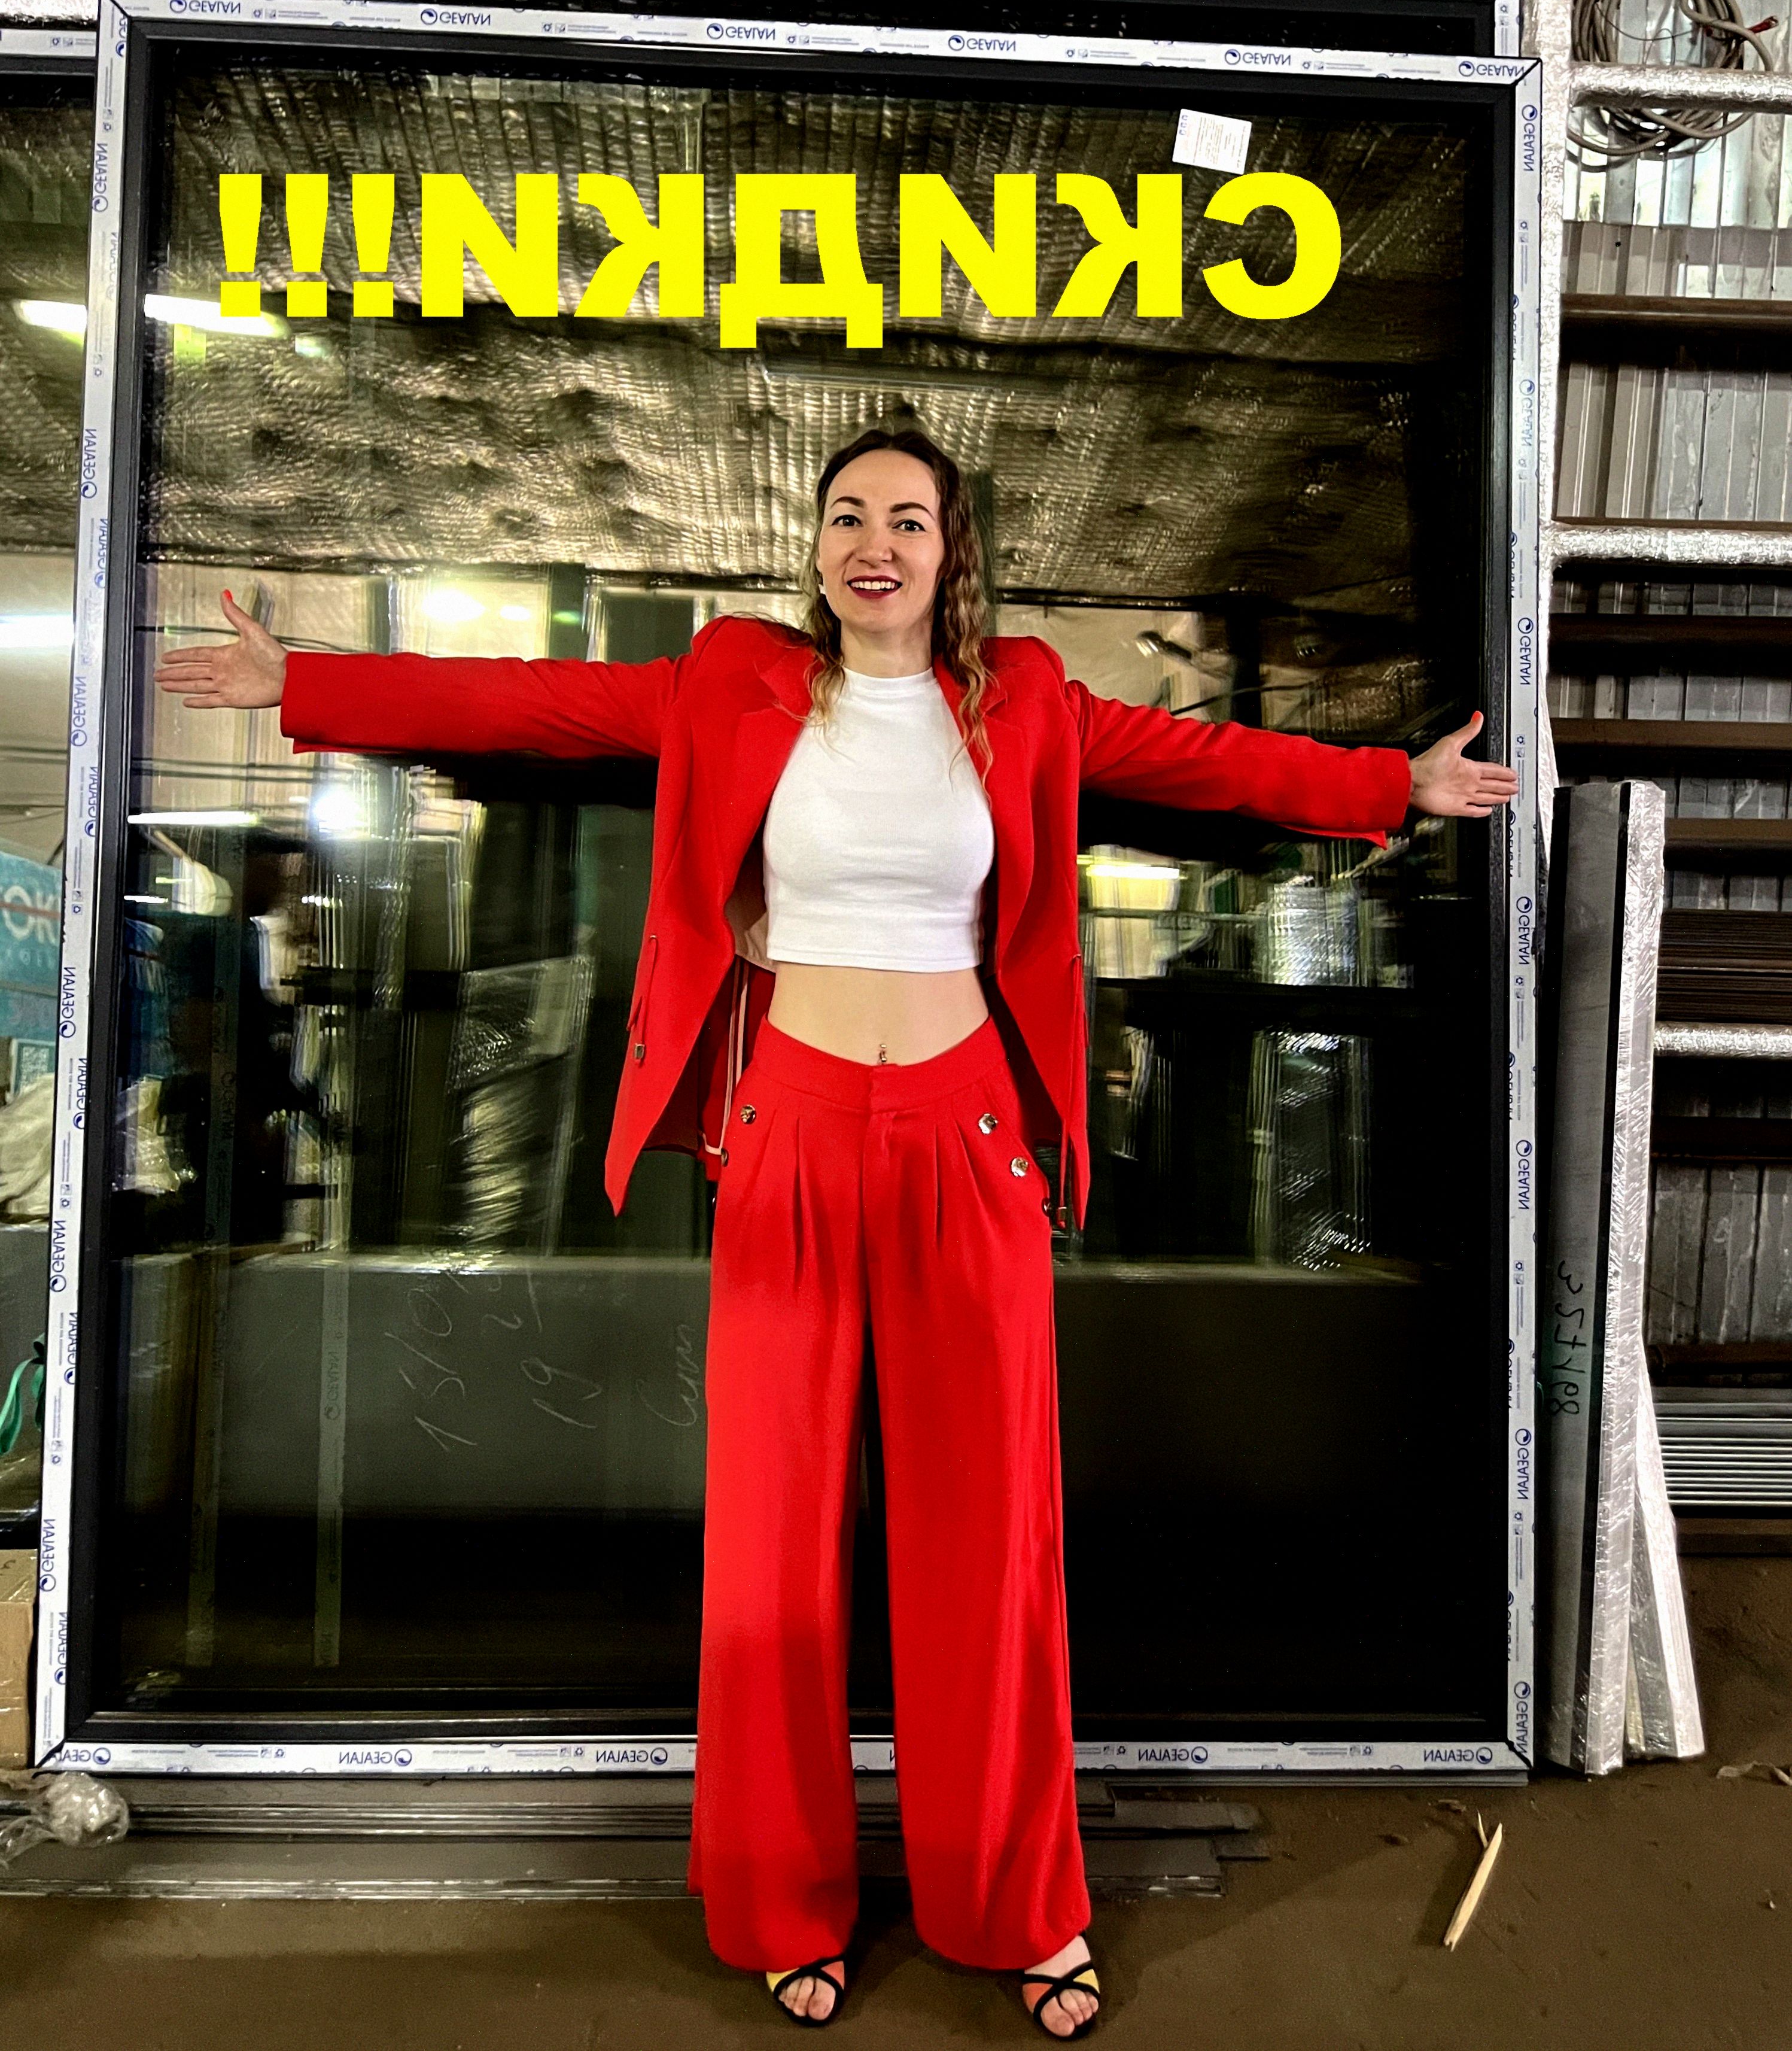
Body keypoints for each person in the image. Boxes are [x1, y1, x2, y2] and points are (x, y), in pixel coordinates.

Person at [157, 427, 1517, 2035]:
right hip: (788, 1128)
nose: (875, 542)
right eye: (848, 515)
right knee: (773, 1546)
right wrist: (306, 685)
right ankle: (781, 1895)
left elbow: (1197, 758)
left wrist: (1391, 786)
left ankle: (1016, 1904)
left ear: (952, 551)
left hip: (967, 1132)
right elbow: (531, 702)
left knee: (989, 1542)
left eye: (908, 520)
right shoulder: (734, 682)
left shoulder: (1022, 698)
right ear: (815, 546)